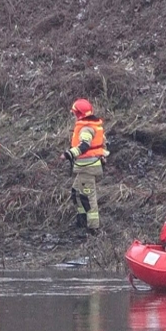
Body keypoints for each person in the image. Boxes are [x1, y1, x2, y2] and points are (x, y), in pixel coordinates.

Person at [62, 98, 107, 233]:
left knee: (88, 197)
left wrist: (68, 154)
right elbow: (102, 143)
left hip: (88, 168)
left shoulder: (86, 129)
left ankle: (93, 228)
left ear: (79, 114)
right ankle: (81, 220)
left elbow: (84, 146)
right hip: (87, 167)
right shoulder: (94, 125)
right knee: (76, 192)